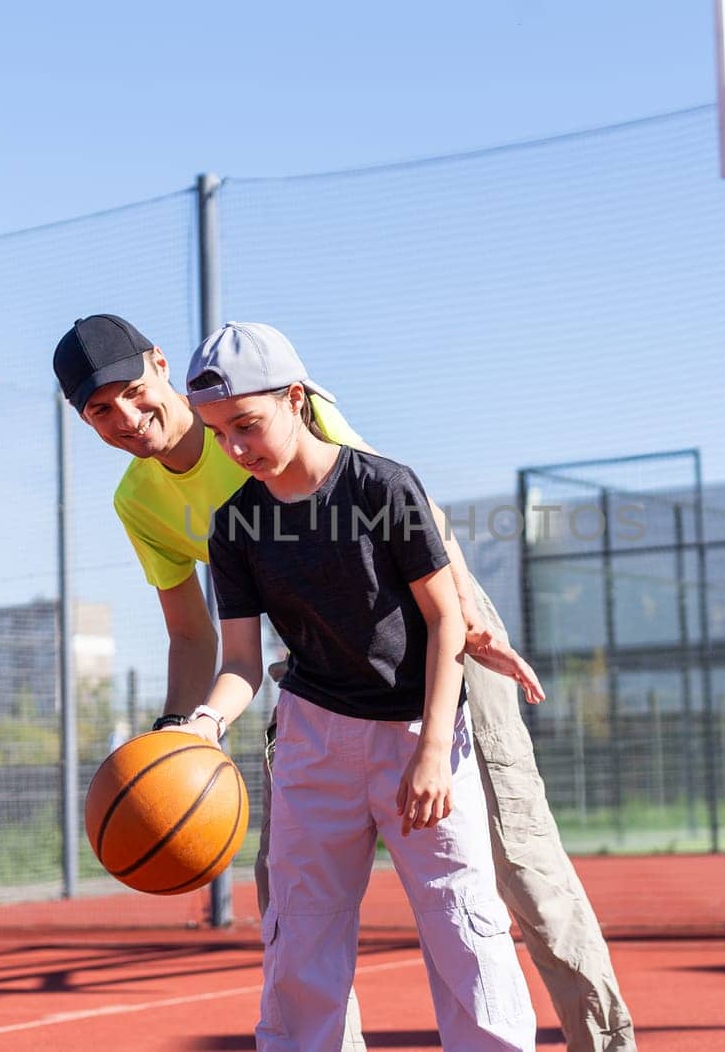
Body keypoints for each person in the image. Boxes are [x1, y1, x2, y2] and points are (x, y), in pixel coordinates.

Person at [52, 314, 635, 1050]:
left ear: (160, 365)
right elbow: (197, 635)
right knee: (290, 893)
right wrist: (185, 739)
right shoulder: (142, 501)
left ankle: (607, 1042)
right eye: (99, 412)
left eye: (133, 393)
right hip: (317, 657)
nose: (127, 419)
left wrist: (466, 629)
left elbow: (407, 522)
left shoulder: (272, 397)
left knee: (521, 871)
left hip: (434, 619)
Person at [177, 321, 536, 1048]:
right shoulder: (235, 526)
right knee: (300, 940)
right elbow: (242, 660)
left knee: (466, 929)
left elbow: (444, 621)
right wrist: (204, 723)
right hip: (315, 734)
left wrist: (435, 748)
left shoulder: (383, 486)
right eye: (218, 434)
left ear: (295, 398)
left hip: (418, 729)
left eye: (246, 424)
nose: (236, 448)